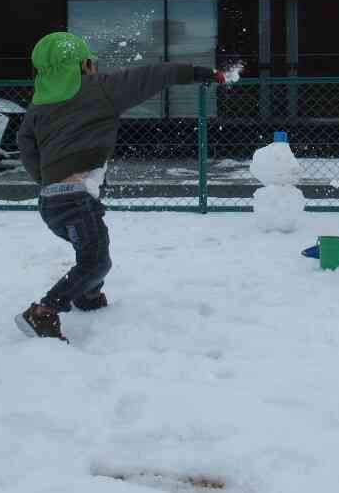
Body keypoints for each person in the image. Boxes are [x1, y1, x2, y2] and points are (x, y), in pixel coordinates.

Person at [15, 31, 225, 341]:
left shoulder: (39, 104)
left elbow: (26, 146)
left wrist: (48, 180)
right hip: (76, 201)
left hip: (52, 204)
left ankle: (87, 295)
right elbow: (155, 75)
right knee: (97, 260)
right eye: (91, 63)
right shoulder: (100, 89)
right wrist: (200, 73)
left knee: (91, 249)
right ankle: (45, 310)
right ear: (83, 65)